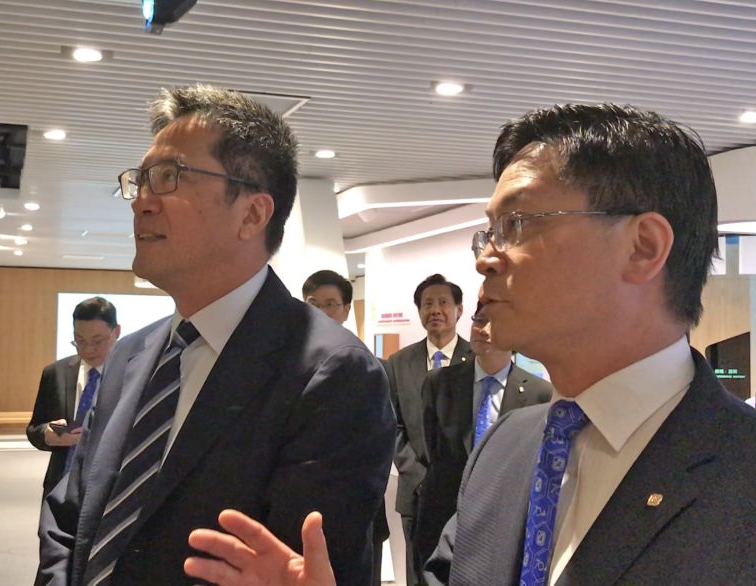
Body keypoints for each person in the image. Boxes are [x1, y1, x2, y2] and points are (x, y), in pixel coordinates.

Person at [182, 103, 756, 586]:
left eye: (521, 224)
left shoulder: (737, 467)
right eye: (490, 231)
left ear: (643, 246)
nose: (485, 257)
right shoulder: (508, 446)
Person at [37, 84, 395, 586]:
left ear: (252, 213)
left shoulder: (330, 372)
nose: (141, 202)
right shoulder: (131, 355)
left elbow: (295, 566)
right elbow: (68, 516)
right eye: (140, 181)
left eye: (168, 178)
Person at [411, 301, 552, 571]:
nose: (482, 330)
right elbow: (431, 447)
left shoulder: (539, 393)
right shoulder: (439, 382)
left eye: (493, 323)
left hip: (504, 515)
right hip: (442, 512)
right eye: (478, 320)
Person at [302, 269, 388, 586]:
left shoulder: (364, 365)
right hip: (297, 516)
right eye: (313, 303)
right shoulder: (284, 363)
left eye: (331, 304)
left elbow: (375, 450)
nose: (322, 312)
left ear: (347, 310)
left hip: (352, 519)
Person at [383, 273, 470, 585]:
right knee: (417, 573)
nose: (435, 309)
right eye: (427, 303)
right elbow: (391, 425)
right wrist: (417, 475)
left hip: (466, 491)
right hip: (416, 492)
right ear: (419, 311)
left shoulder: (477, 359)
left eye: (443, 302)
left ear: (459, 310)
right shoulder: (398, 362)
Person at [26, 297, 120, 498]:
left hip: (111, 490)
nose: (88, 350)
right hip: (60, 486)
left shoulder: (132, 374)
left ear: (116, 332)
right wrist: (48, 435)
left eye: (97, 341)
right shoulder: (56, 372)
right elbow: (34, 428)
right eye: (80, 341)